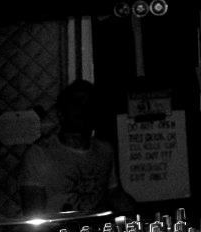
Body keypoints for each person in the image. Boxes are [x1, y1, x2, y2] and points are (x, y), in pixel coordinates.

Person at [18, 79, 136, 215]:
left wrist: (140, 216)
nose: (84, 109)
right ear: (61, 112)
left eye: (90, 104)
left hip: (96, 226)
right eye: (77, 103)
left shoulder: (104, 150)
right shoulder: (39, 154)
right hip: (59, 227)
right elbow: (33, 211)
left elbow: (114, 193)